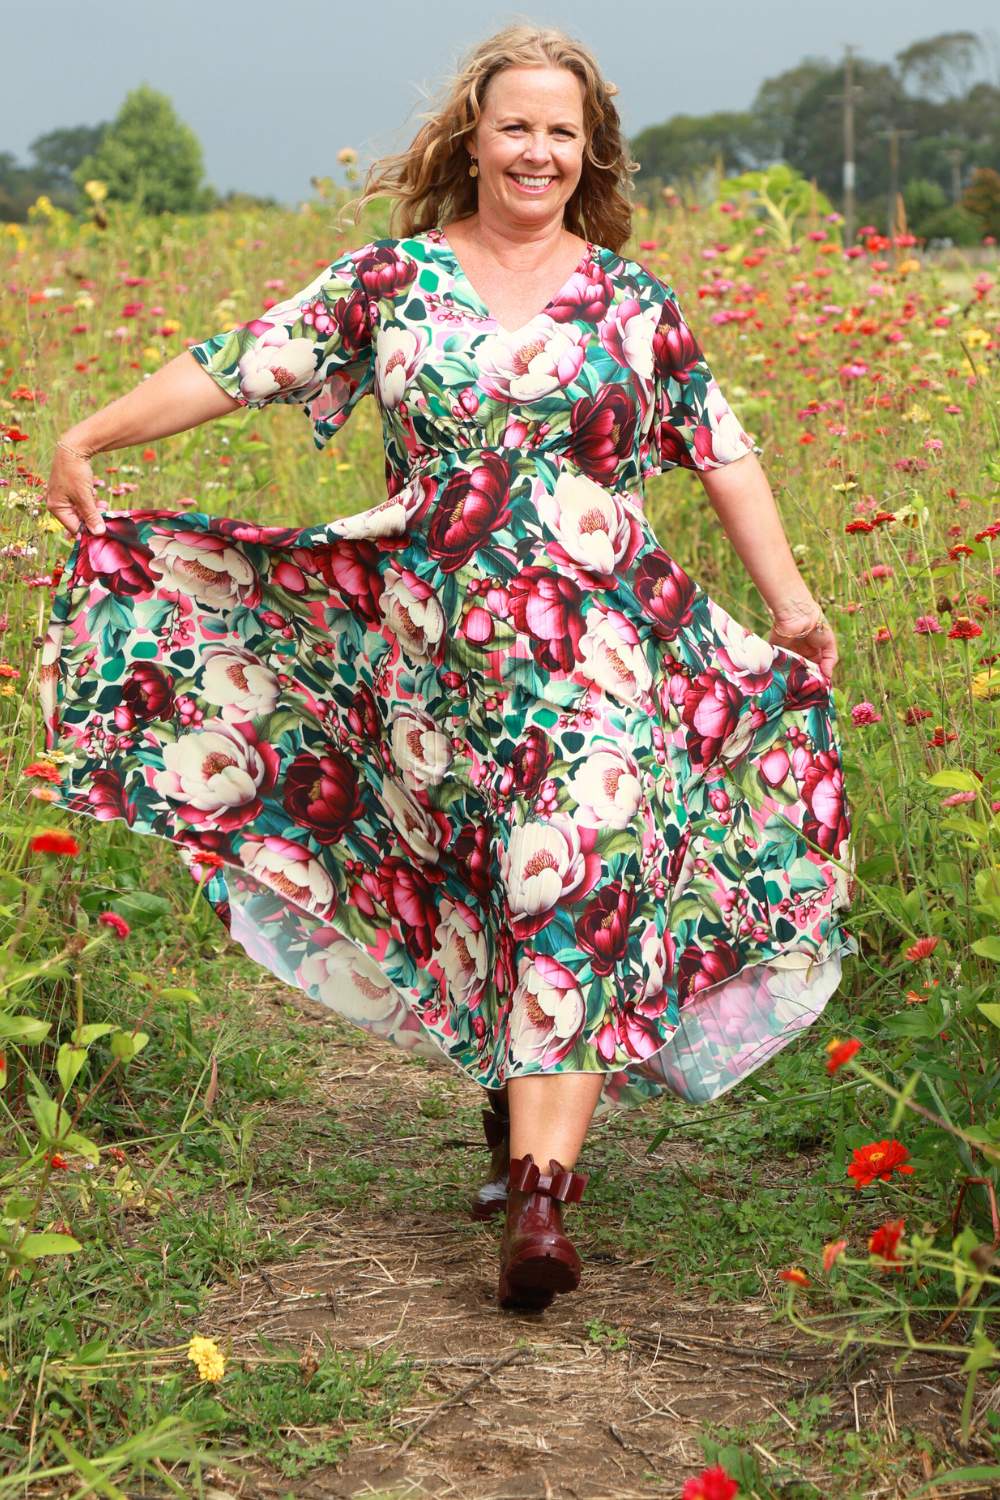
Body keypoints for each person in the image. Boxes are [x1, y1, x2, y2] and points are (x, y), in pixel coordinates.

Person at [40, 23, 858, 1313]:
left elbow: (722, 448)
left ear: (590, 157)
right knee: (481, 867)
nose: (537, 151)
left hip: (601, 638)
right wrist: (90, 431)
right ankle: (512, 1092)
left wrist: (792, 600)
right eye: (516, 126)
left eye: (561, 133)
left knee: (577, 853)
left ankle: (543, 1199)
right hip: (431, 649)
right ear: (471, 137)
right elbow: (244, 362)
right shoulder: (393, 283)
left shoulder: (633, 305)